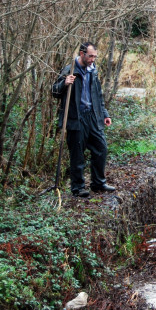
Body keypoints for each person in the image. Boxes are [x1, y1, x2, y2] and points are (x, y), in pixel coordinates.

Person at [52, 42, 115, 197]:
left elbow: (98, 95)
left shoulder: (93, 71)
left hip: (93, 116)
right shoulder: (70, 70)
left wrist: (105, 114)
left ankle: (98, 183)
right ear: (82, 54)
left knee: (101, 148)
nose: (93, 59)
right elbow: (54, 91)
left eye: (95, 56)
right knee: (77, 154)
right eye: (90, 56)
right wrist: (65, 83)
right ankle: (78, 188)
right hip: (76, 117)